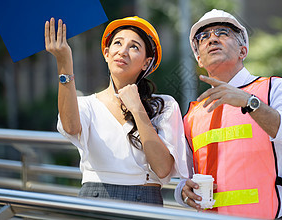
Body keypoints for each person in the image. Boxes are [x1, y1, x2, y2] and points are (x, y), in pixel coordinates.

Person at [174, 9, 282, 219]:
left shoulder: (273, 88)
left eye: (222, 33)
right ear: (199, 60)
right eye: (203, 37)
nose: (212, 39)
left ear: (243, 51)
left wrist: (250, 103)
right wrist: (183, 192)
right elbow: (185, 177)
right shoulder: (193, 114)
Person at [45, 16, 188, 205]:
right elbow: (70, 127)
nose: (123, 51)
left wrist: (137, 108)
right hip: (95, 200)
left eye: (134, 47)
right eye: (118, 43)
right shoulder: (86, 104)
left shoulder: (164, 106)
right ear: (106, 53)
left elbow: (162, 169)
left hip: (144, 202)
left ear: (146, 63)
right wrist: (64, 62)